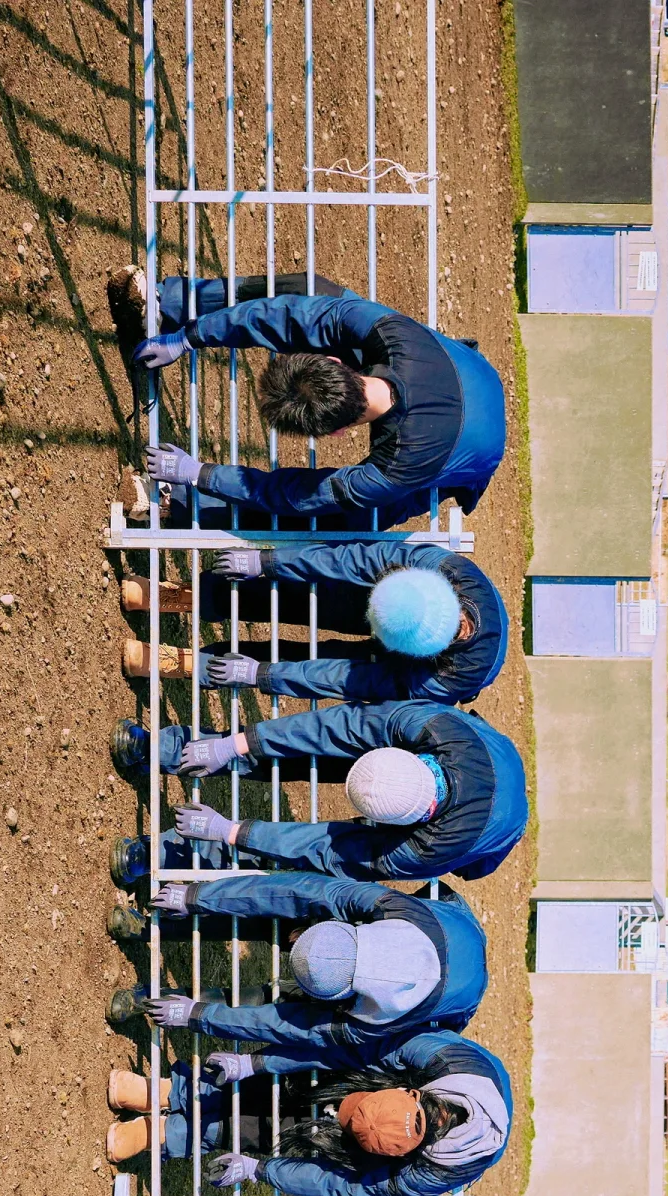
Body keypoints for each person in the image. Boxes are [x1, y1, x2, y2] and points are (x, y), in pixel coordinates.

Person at [108, 267, 506, 526]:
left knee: (349, 513)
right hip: (470, 370)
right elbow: (287, 314)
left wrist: (200, 474)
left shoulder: (397, 467)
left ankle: (178, 502)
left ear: (335, 360)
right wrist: (190, 337)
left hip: (471, 453)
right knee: (310, 293)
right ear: (334, 359)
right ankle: (170, 305)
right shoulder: (389, 334)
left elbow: (296, 495)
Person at [110, 700, 529, 885]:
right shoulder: (428, 725)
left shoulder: (430, 849)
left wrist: (232, 832)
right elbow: (330, 728)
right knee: (301, 751)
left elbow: (326, 849)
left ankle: (174, 855)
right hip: (485, 753)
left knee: (313, 853)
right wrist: (236, 744)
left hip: (479, 829)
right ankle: (169, 749)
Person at [104, 1029, 513, 1196]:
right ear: (407, 1089)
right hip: (393, 1070)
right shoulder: (434, 1060)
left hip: (406, 1150)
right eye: (355, 1108)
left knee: (270, 1132)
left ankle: (165, 1132)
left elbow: (344, 1186)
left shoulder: (425, 1174)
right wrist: (255, 1062)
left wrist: (260, 1170)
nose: (342, 1112)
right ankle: (167, 1091)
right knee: (289, 1082)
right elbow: (340, 1046)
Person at [108, 873, 488, 1058]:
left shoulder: (374, 1024)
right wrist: (198, 895)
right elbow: (295, 890)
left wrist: (197, 1016)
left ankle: (159, 1000)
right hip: (448, 925)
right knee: (275, 915)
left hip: (439, 995)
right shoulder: (392, 909)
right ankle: (153, 924)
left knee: (283, 1005)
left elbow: (284, 1027)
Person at [120, 538, 509, 707]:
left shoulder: (442, 678)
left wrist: (261, 675)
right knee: (306, 596)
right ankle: (181, 596)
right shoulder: (440, 568)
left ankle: (183, 662)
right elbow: (348, 562)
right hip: (403, 599)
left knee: (306, 659)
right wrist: (269, 563)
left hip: (414, 668)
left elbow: (337, 675)